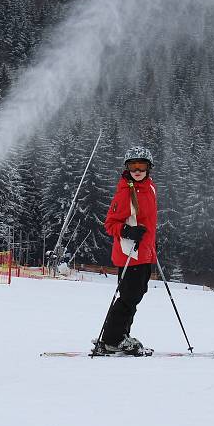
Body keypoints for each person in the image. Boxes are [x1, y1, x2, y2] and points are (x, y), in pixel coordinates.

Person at [91, 146, 158, 356]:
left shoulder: (150, 188)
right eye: (132, 166)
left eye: (142, 166)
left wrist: (152, 244)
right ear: (126, 168)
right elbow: (110, 224)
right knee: (128, 297)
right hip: (130, 253)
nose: (137, 170)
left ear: (149, 168)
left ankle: (122, 336)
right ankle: (112, 339)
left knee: (135, 296)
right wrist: (128, 231)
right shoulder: (125, 193)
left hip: (144, 252)